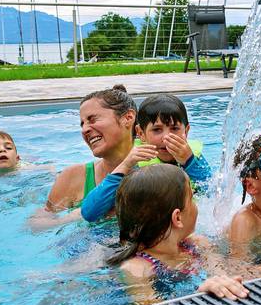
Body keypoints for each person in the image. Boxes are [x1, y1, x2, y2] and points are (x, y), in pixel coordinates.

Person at [108, 164, 261, 305]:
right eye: (192, 199)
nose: (197, 206)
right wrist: (199, 292)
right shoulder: (137, 269)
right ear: (177, 218)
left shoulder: (197, 245)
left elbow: (229, 274)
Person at [80, 94, 211, 222]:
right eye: (157, 130)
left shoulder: (194, 159)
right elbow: (89, 213)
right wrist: (125, 166)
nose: (166, 137)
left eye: (175, 128)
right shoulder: (136, 164)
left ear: (186, 131)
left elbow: (214, 195)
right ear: (141, 134)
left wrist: (189, 162)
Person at [29, 85, 141, 229]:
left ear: (128, 118)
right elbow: (35, 226)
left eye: (92, 120)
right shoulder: (74, 177)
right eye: (82, 124)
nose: (85, 129)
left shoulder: (158, 170)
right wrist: (73, 217)